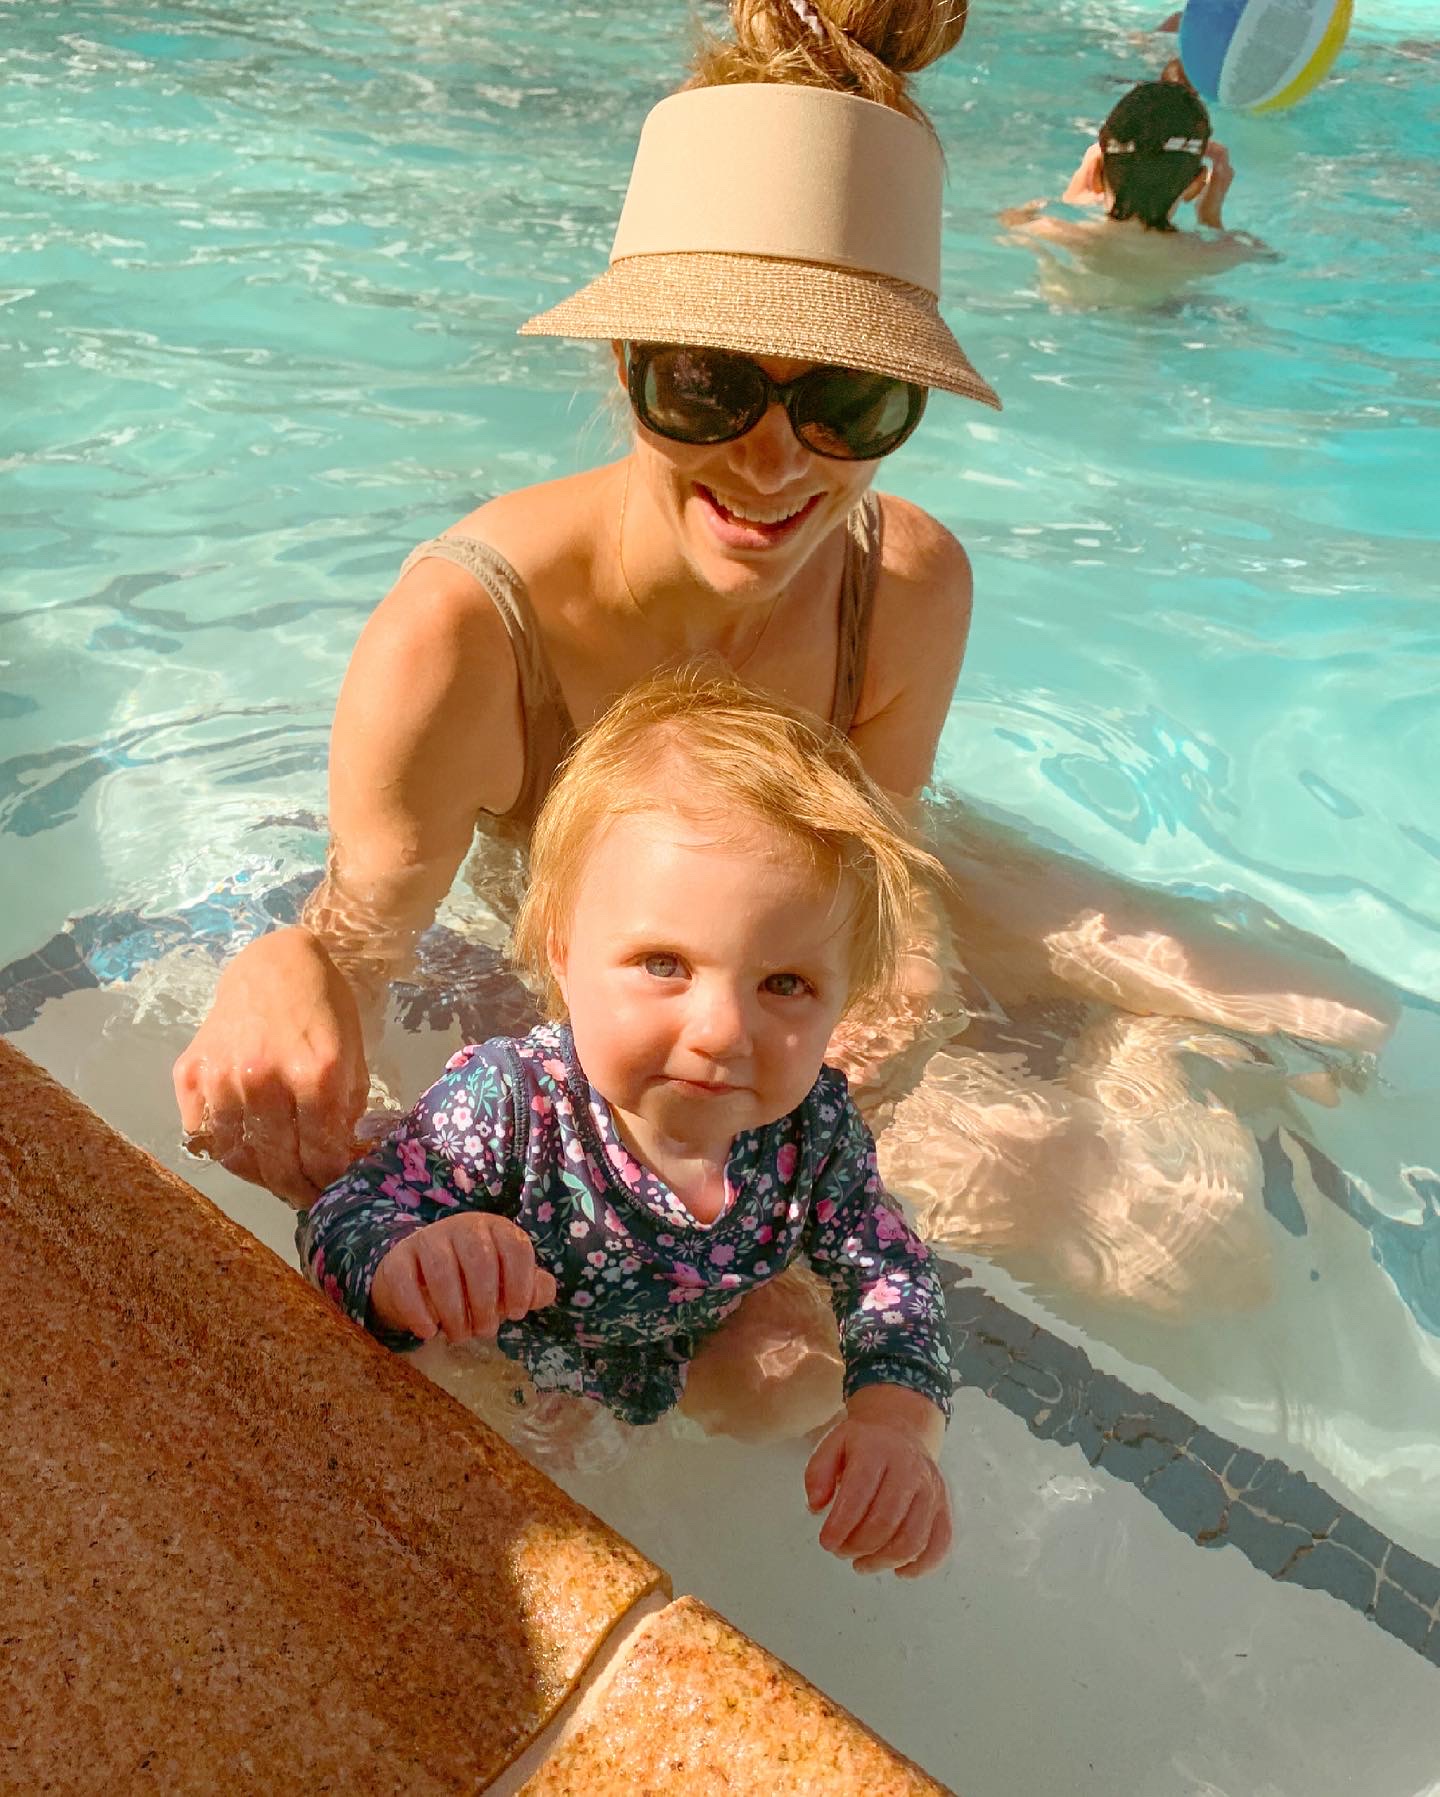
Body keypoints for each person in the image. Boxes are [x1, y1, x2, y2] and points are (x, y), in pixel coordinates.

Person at [173, 0, 1001, 1209]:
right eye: (708, 387)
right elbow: (364, 938)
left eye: (849, 403)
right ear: (624, 365)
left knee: (1227, 1072)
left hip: (761, 977)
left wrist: (860, 1086)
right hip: (602, 976)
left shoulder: (905, 587)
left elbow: (882, 891)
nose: (774, 467)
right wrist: (287, 962)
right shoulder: (465, 634)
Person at [302, 669, 954, 1578]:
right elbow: (341, 1212)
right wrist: (409, 1263)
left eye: (785, 984)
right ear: (564, 954)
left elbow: (891, 1271)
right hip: (512, 1337)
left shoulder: (814, 1131)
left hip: (677, 1332)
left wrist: (896, 1421)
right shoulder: (511, 1107)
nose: (723, 1030)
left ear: (844, 998)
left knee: (794, 1379)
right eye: (663, 962)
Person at [1005, 81, 1270, 305]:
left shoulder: (1045, 229)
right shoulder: (1223, 252)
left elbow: (1009, 219)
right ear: (1197, 183)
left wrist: (1069, 201)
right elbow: (1268, 258)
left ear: (1097, 175)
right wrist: (1211, 218)